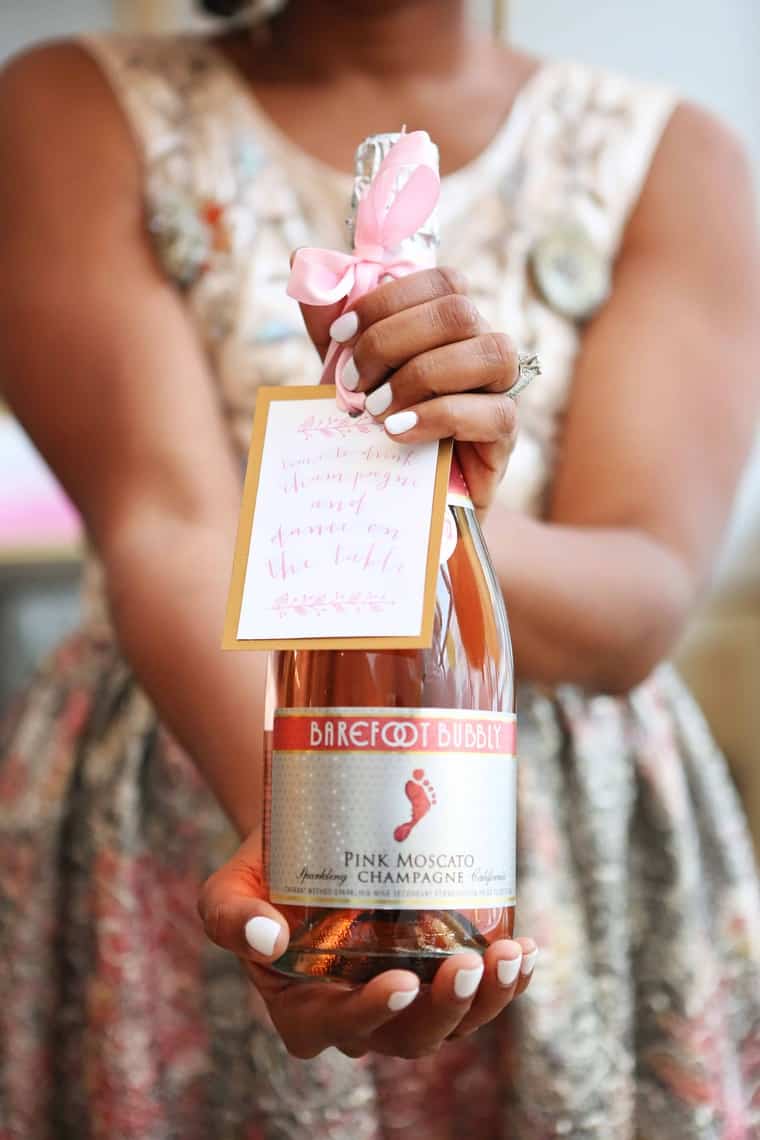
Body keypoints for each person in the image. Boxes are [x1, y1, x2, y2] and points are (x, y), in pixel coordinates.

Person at [0, 0, 758, 1136]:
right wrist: (305, 846)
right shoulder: (73, 107)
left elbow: (639, 599)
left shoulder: (671, 156)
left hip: (555, 833)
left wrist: (439, 506)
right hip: (207, 757)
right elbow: (163, 521)